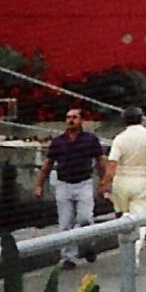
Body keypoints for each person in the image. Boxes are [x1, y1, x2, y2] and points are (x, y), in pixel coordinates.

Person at [35, 109, 104, 265]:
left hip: (84, 183)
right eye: (68, 118)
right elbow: (47, 164)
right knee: (65, 223)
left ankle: (88, 246)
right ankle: (68, 257)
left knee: (85, 218)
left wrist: (103, 183)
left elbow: (100, 161)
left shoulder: (90, 139)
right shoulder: (58, 142)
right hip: (64, 185)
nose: (71, 120)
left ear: (81, 120)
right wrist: (39, 185)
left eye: (74, 117)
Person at [103, 115, 146, 239]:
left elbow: (112, 164)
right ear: (141, 119)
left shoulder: (119, 139)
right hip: (142, 181)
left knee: (122, 220)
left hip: (121, 182)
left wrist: (106, 185)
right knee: (140, 221)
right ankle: (134, 253)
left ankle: (125, 250)